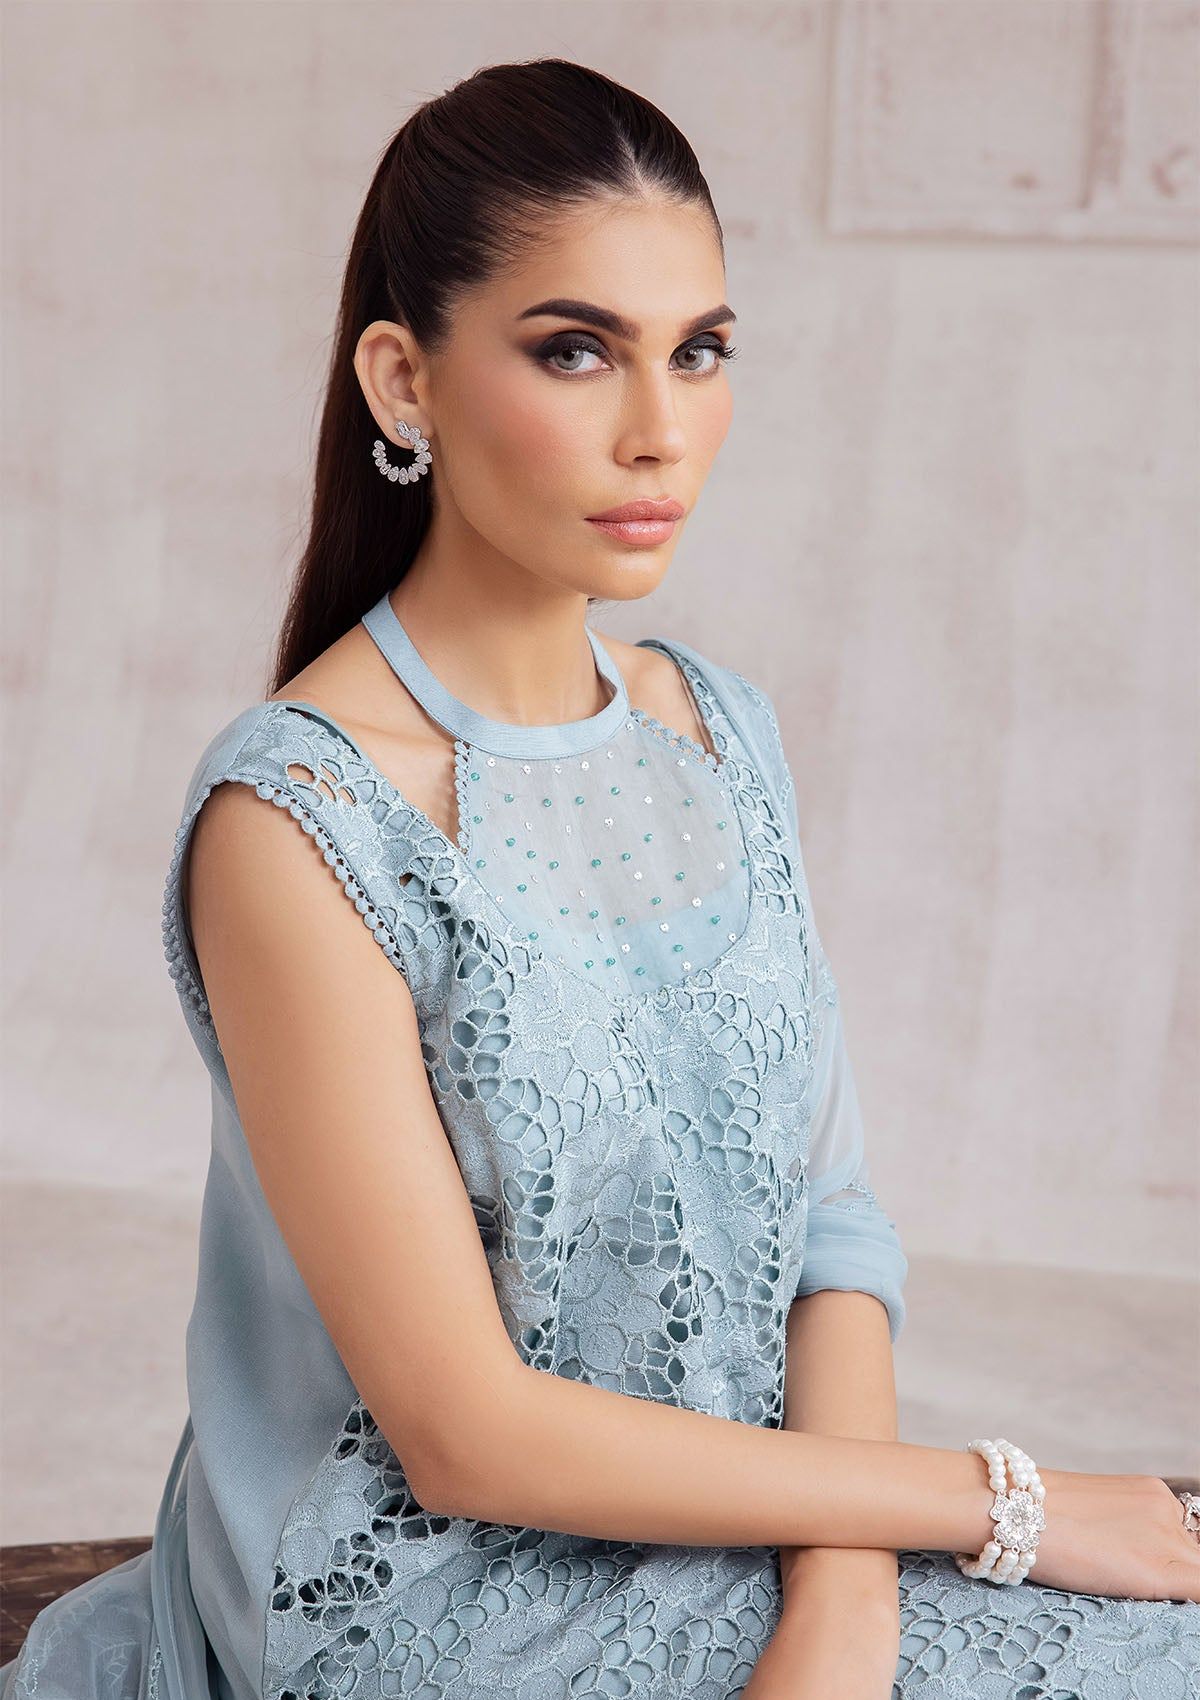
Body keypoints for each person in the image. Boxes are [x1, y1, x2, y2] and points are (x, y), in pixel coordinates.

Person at [4, 55, 1198, 1700]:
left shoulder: (718, 733)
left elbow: (834, 1230)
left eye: (698, 351)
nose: (661, 431)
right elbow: (465, 1434)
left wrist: (842, 1609)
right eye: (576, 351)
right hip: (432, 1601)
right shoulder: (300, 823)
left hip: (750, 1534)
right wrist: (1008, 1504)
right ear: (403, 381)